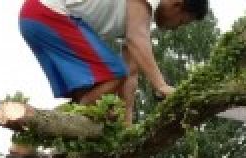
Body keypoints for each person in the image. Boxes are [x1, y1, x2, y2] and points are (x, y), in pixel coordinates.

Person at [17, 0, 209, 132]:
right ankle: (38, 130)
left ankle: (33, 138)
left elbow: (131, 74)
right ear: (178, 5)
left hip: (35, 17)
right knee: (112, 76)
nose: (176, 27)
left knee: (94, 96)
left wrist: (126, 124)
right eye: (182, 22)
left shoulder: (140, 18)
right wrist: (161, 85)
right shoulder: (147, 6)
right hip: (48, 13)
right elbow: (137, 40)